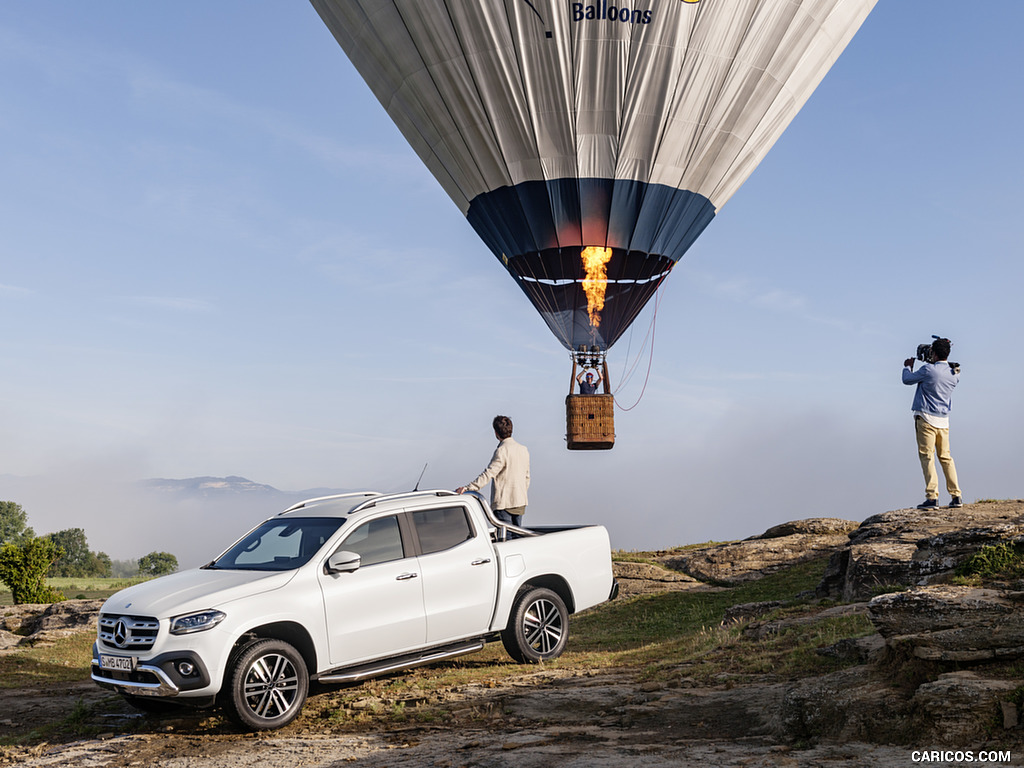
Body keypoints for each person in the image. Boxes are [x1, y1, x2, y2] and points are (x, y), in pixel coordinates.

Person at [902, 337, 962, 509]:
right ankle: (956, 495)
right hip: (943, 421)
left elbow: (907, 379)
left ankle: (932, 497)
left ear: (934, 353)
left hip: (926, 419)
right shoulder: (955, 374)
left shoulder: (928, 369)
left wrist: (907, 365)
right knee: (946, 458)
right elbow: (948, 368)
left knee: (927, 457)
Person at [456, 415, 530, 526]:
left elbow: (489, 473)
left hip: (504, 503)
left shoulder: (502, 450)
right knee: (518, 537)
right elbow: (527, 477)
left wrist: (469, 488)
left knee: (506, 539)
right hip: (520, 501)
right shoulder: (523, 449)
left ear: (496, 432)